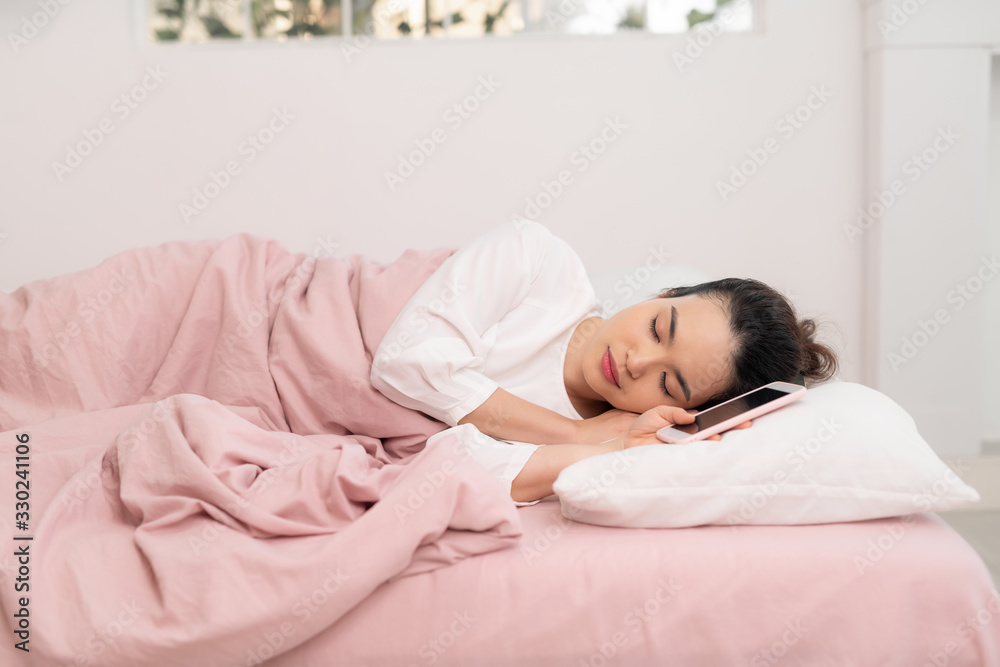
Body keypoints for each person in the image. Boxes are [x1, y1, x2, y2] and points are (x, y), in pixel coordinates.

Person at [370, 220, 839, 504]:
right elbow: (406, 360)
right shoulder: (538, 260)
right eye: (659, 328)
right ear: (666, 292)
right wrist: (572, 434)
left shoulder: (613, 436)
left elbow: (454, 476)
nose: (638, 362)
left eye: (668, 384)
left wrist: (607, 450)